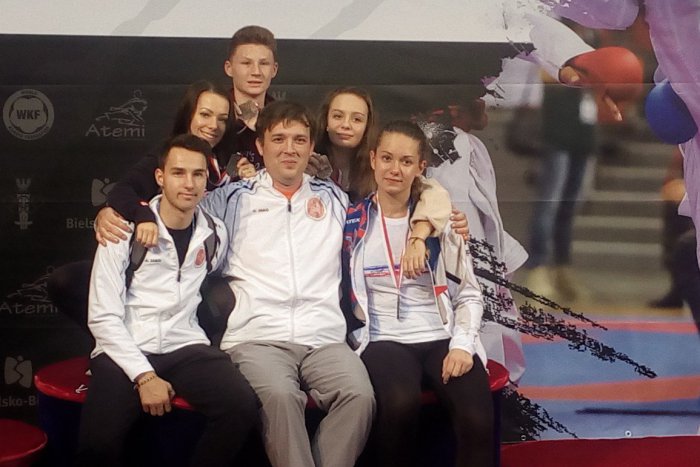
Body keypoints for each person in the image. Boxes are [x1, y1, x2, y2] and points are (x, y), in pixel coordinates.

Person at [200, 100, 375, 467]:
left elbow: (393, 207)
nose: (289, 149)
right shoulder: (229, 199)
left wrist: (434, 212)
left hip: (325, 338)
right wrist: (122, 212)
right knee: (281, 398)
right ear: (260, 145)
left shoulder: (335, 199)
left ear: (311, 147)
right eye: (278, 139)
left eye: (299, 140)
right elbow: (176, 210)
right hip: (257, 338)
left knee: (359, 396)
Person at [76, 134, 258, 467]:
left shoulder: (215, 232)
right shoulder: (122, 230)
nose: (189, 183)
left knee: (241, 407)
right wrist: (144, 376)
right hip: (128, 345)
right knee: (97, 445)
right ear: (160, 177)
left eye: (198, 174)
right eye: (178, 173)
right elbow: (102, 318)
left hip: (184, 344)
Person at [342, 120, 493, 467]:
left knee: (477, 419)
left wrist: (462, 345)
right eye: (387, 159)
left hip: (441, 335)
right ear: (373, 159)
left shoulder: (443, 224)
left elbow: (469, 293)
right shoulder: (351, 220)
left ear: (420, 167)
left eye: (406, 161)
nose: (395, 169)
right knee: (399, 405)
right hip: (382, 338)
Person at [48, 80, 232, 336]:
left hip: (196, 270)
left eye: (222, 119)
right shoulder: (166, 154)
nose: (213, 125)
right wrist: (142, 215)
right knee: (68, 281)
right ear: (188, 114)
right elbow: (122, 191)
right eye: (205, 114)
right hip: (151, 270)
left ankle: (193, 352)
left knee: (226, 298)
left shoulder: (225, 159)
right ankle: (117, 342)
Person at [422, 97, 528, 384]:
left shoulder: (457, 144)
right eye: (479, 99)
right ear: (454, 109)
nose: (484, 106)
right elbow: (471, 226)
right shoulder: (455, 145)